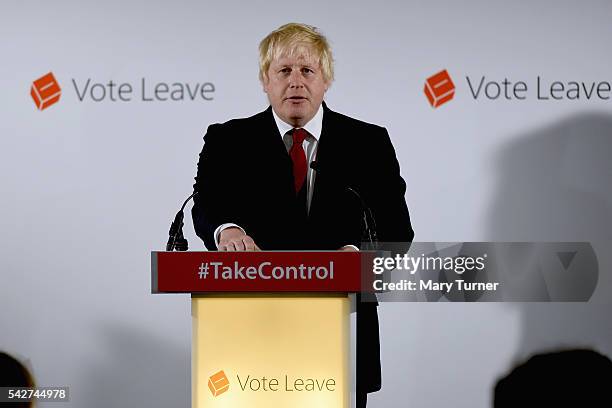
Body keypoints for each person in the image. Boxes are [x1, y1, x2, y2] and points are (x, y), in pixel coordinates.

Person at [192, 22, 414, 407]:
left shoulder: (368, 142)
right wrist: (225, 230)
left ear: (326, 80)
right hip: (249, 323)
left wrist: (359, 256)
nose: (296, 82)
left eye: (307, 71)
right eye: (283, 71)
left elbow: (397, 228)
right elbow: (206, 204)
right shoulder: (227, 140)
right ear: (265, 80)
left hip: (342, 324)